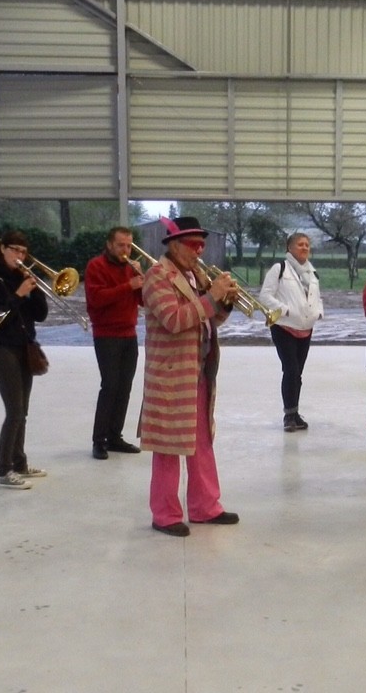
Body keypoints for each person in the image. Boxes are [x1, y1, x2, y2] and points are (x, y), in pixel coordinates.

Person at [139, 216, 240, 537]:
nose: (199, 252)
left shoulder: (194, 274)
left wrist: (224, 304)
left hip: (198, 372)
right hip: (171, 376)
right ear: (174, 245)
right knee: (169, 447)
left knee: (201, 443)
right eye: (193, 245)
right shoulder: (157, 277)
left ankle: (205, 507)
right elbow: (173, 319)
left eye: (201, 245)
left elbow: (207, 321)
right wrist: (211, 299)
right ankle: (165, 514)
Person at [0, 232, 49, 490]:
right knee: (14, 411)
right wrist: (18, 294)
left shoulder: (21, 277)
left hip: (24, 348)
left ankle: (20, 463)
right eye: (14, 250)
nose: (19, 256)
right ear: (2, 249)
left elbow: (39, 315)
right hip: (1, 349)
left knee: (23, 411)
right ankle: (4, 470)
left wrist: (36, 290)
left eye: (23, 252)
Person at [85, 226, 145, 460]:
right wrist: (127, 286)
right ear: (109, 244)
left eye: (129, 245)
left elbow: (141, 301)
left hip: (129, 334)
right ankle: (98, 440)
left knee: (125, 387)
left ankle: (115, 437)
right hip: (106, 334)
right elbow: (97, 299)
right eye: (121, 245)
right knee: (110, 386)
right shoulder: (96, 266)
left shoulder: (131, 267)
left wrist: (142, 281)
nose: (126, 250)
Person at [259, 232, 324, 432]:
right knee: (291, 370)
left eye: (307, 245)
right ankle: (289, 415)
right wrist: (284, 310)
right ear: (290, 248)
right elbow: (265, 296)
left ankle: (295, 413)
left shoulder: (312, 273)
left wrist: (318, 312)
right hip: (284, 327)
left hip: (306, 328)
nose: (304, 248)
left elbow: (316, 297)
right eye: (300, 244)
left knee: (298, 374)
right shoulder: (280, 268)